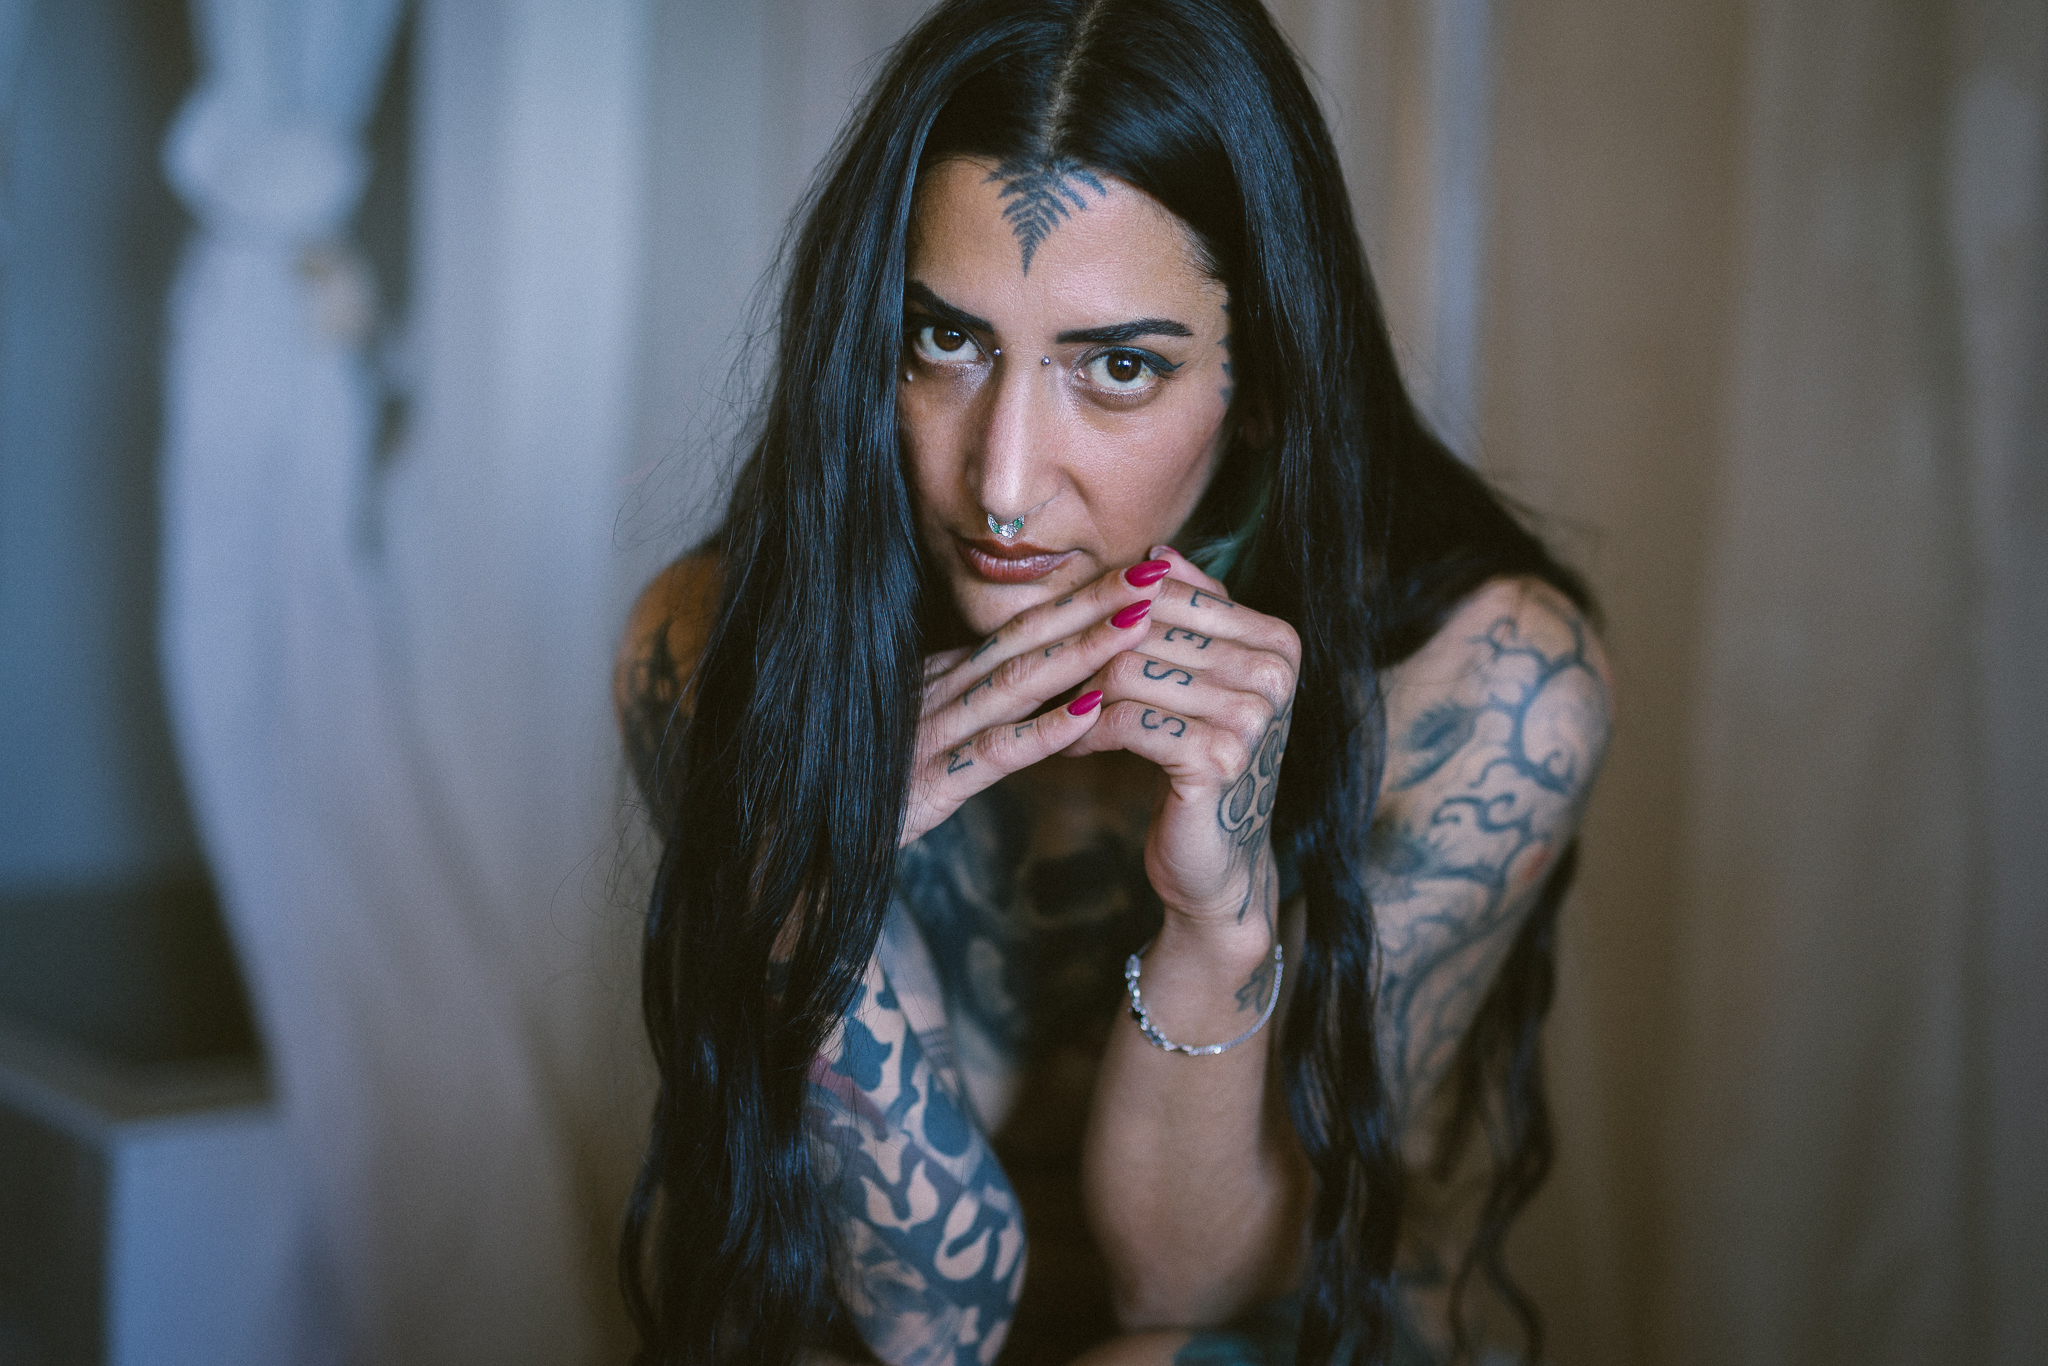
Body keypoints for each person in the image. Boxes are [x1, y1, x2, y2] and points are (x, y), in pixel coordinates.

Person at [613, 1, 1612, 1362]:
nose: (1004, 482)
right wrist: (811, 891)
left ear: (1265, 387)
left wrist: (1220, 922)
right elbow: (924, 1323)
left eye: (1121, 367)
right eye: (945, 342)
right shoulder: (720, 649)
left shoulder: (1482, 689)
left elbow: (1183, 1298)